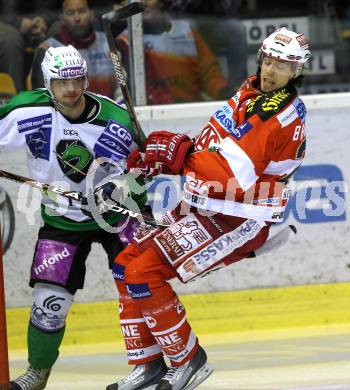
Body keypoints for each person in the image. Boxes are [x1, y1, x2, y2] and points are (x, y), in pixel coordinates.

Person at [106, 27, 311, 389]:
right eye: (269, 59)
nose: (271, 69)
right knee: (125, 266)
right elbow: (210, 145)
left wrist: (179, 156)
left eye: (283, 65)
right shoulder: (251, 92)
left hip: (238, 218)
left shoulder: (277, 114)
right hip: (204, 206)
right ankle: (147, 364)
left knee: (143, 273)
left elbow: (230, 172)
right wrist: (163, 156)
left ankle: (188, 360)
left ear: (296, 72)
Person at [0, 45, 147, 390]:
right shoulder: (26, 109)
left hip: (118, 218)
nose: (71, 89)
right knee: (48, 303)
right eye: (61, 82)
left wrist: (136, 198)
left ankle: (150, 366)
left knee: (141, 289)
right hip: (62, 220)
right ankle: (38, 373)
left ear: (85, 79)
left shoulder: (116, 118)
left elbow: (141, 170)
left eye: (77, 80)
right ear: (47, 82)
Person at [116, 0, 231, 104]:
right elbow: (142, 92)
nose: (143, 2)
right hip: (156, 115)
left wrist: (224, 93)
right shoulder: (125, 42)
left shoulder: (187, 31)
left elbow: (210, 73)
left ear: (161, 2)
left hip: (191, 111)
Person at [31, 0, 119, 99]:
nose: (77, 18)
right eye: (70, 13)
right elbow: (42, 97)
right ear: (61, 18)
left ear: (91, 14)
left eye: (82, 11)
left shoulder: (108, 43)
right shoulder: (47, 50)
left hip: (109, 110)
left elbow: (122, 86)